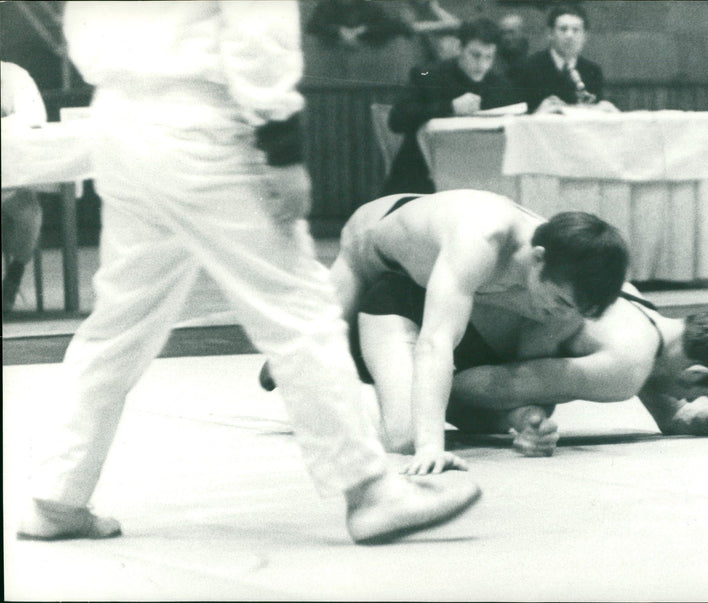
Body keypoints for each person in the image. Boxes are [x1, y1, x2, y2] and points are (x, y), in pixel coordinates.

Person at [15, 1, 482, 546]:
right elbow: (258, 32)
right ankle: (370, 490)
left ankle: (57, 495)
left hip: (118, 121)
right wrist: (281, 149)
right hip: (205, 125)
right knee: (299, 308)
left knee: (119, 323)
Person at [322, 190, 628, 474]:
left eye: (576, 310)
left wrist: (528, 423)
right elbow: (436, 341)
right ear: (537, 258)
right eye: (561, 301)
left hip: (419, 280)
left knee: (420, 423)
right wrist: (431, 446)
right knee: (295, 362)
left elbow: (527, 374)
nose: (564, 315)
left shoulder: (567, 281)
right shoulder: (480, 238)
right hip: (371, 241)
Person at [353, 271, 708, 456]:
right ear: (695, 373)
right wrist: (527, 415)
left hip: (456, 325)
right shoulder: (628, 363)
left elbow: (677, 418)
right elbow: (473, 387)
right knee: (408, 437)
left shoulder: (640, 307)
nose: (687, 400)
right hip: (406, 310)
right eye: (701, 394)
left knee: (493, 417)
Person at [382, 18, 517, 195]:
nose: (482, 65)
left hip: (479, 177)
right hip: (422, 178)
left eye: (489, 57)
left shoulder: (500, 84)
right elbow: (396, 120)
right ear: (459, 48)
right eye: (475, 55)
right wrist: (450, 107)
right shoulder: (428, 73)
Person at [1, 60, 47, 312]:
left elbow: (34, 117)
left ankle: (13, 278)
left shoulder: (13, 75)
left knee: (29, 212)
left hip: (6, 173)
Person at [516, 4, 617, 115]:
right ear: (550, 33)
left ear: (585, 36)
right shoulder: (529, 69)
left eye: (576, 30)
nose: (569, 35)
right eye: (563, 29)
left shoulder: (592, 71)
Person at [306, 0, 414, 50]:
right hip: (331, 63)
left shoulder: (370, 7)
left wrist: (365, 29)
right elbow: (312, 26)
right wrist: (338, 30)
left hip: (370, 64)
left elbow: (393, 26)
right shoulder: (326, 6)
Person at [495, 14, 529, 81]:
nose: (507, 38)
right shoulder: (494, 60)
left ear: (522, 32)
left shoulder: (534, 57)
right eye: (503, 33)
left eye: (511, 32)